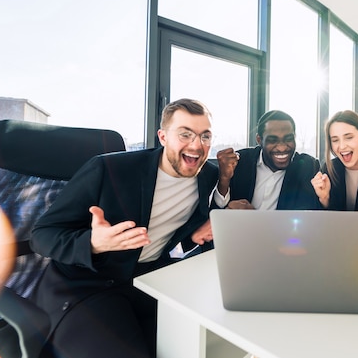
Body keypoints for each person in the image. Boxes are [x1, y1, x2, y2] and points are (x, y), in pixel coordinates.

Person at [30, 99, 219, 358]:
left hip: (149, 282)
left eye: (205, 136)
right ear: (163, 137)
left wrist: (194, 237)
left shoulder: (208, 176)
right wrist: (94, 243)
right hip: (89, 284)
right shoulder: (109, 169)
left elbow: (172, 233)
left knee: (201, 347)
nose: (197, 145)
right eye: (185, 134)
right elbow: (41, 235)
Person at [213, 110, 321, 210]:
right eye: (273, 140)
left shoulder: (308, 166)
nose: (282, 148)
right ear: (259, 140)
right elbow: (217, 208)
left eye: (288, 139)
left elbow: (312, 212)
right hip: (240, 229)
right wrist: (224, 180)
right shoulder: (240, 162)